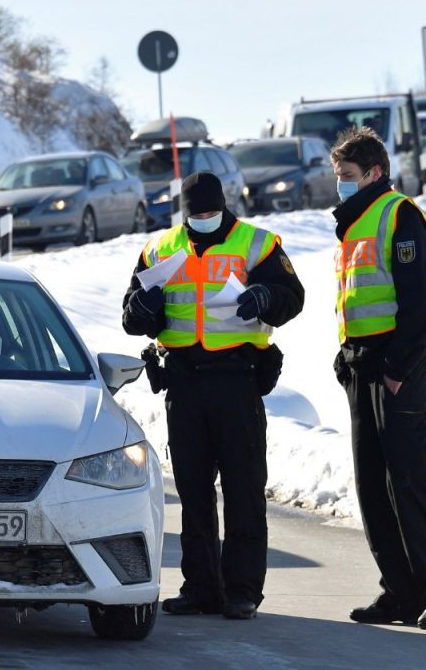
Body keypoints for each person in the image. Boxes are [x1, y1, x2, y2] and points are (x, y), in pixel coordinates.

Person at [122, 172, 304, 620]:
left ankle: (242, 590)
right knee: (193, 490)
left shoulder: (256, 244)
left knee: (244, 488)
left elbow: (292, 297)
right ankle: (201, 587)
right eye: (196, 213)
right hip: (183, 381)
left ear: (223, 206)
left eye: (211, 211)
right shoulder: (160, 250)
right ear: (184, 212)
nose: (204, 219)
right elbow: (131, 313)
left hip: (236, 379)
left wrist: (265, 296)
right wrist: (141, 310)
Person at [329, 126, 426, 630]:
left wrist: (396, 368)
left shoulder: (399, 215)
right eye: (337, 175)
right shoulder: (354, 222)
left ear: (374, 173)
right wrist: (348, 357)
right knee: (373, 486)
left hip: (398, 369)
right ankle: (400, 592)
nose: (339, 184)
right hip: (364, 365)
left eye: (347, 175)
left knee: (409, 482)